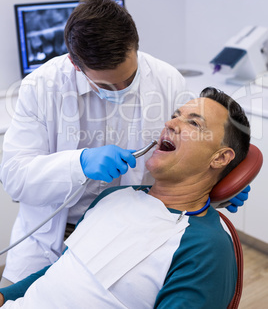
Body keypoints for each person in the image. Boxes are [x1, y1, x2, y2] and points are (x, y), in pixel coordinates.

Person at [0, 0, 248, 287]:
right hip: (48, 240)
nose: (120, 89)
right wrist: (79, 164)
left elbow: (193, 154)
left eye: (129, 79)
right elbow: (14, 177)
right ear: (75, 64)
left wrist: (216, 181)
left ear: (135, 46)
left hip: (122, 238)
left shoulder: (166, 79)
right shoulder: (42, 87)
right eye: (106, 84)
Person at [0, 87, 250, 308]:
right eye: (175, 115)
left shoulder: (205, 247)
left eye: (194, 124)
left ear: (219, 158)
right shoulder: (113, 196)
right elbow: (62, 270)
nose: (170, 123)